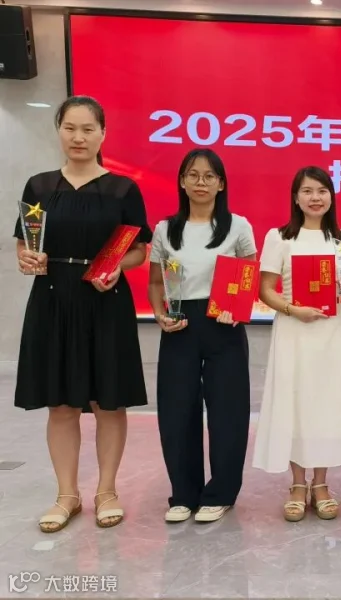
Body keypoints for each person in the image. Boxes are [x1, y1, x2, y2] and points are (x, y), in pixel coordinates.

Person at [14, 96, 152, 532]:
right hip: (53, 301)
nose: (79, 137)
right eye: (70, 128)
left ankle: (107, 490)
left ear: (103, 134)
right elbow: (24, 243)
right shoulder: (39, 187)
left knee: (107, 402)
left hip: (105, 302)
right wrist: (26, 258)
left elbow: (139, 250)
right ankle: (67, 495)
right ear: (59, 130)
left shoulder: (123, 189)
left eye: (88, 129)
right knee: (60, 405)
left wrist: (119, 268)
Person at [147, 148, 256, 523]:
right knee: (177, 410)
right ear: (181, 181)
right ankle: (183, 494)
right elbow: (156, 282)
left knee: (228, 411)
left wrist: (237, 308)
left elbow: (248, 276)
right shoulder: (165, 229)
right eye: (193, 175)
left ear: (221, 184)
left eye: (209, 176)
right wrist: (159, 314)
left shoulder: (237, 226)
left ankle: (221, 493)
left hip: (223, 324)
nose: (201, 182)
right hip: (180, 324)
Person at [253, 166, 341, 522]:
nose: (315, 198)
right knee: (296, 403)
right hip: (295, 330)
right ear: (296, 198)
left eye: (322, 191)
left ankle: (321, 483)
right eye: (307, 191)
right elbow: (265, 290)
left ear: (331, 196)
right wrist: (293, 309)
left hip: (333, 331)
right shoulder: (280, 238)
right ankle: (297, 484)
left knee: (327, 405)